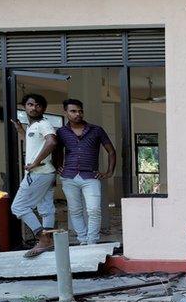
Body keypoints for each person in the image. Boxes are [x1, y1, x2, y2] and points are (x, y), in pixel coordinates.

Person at [56, 98, 116, 245]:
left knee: (94, 210)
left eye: (80, 111)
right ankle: (82, 239)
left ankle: (92, 241)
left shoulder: (96, 130)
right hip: (69, 177)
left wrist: (109, 172)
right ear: (66, 112)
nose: (78, 114)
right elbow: (56, 150)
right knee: (75, 211)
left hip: (90, 176)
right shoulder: (61, 132)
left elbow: (111, 151)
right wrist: (58, 165)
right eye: (73, 111)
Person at [10, 94, 58, 257]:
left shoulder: (44, 124)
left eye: (38, 105)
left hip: (39, 173)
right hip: (46, 173)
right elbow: (32, 143)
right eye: (30, 105)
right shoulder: (33, 126)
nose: (33, 108)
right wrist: (21, 131)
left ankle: (43, 239)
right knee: (46, 208)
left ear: (43, 108)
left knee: (18, 207)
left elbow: (51, 142)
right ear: (25, 107)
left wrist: (36, 162)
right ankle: (49, 240)